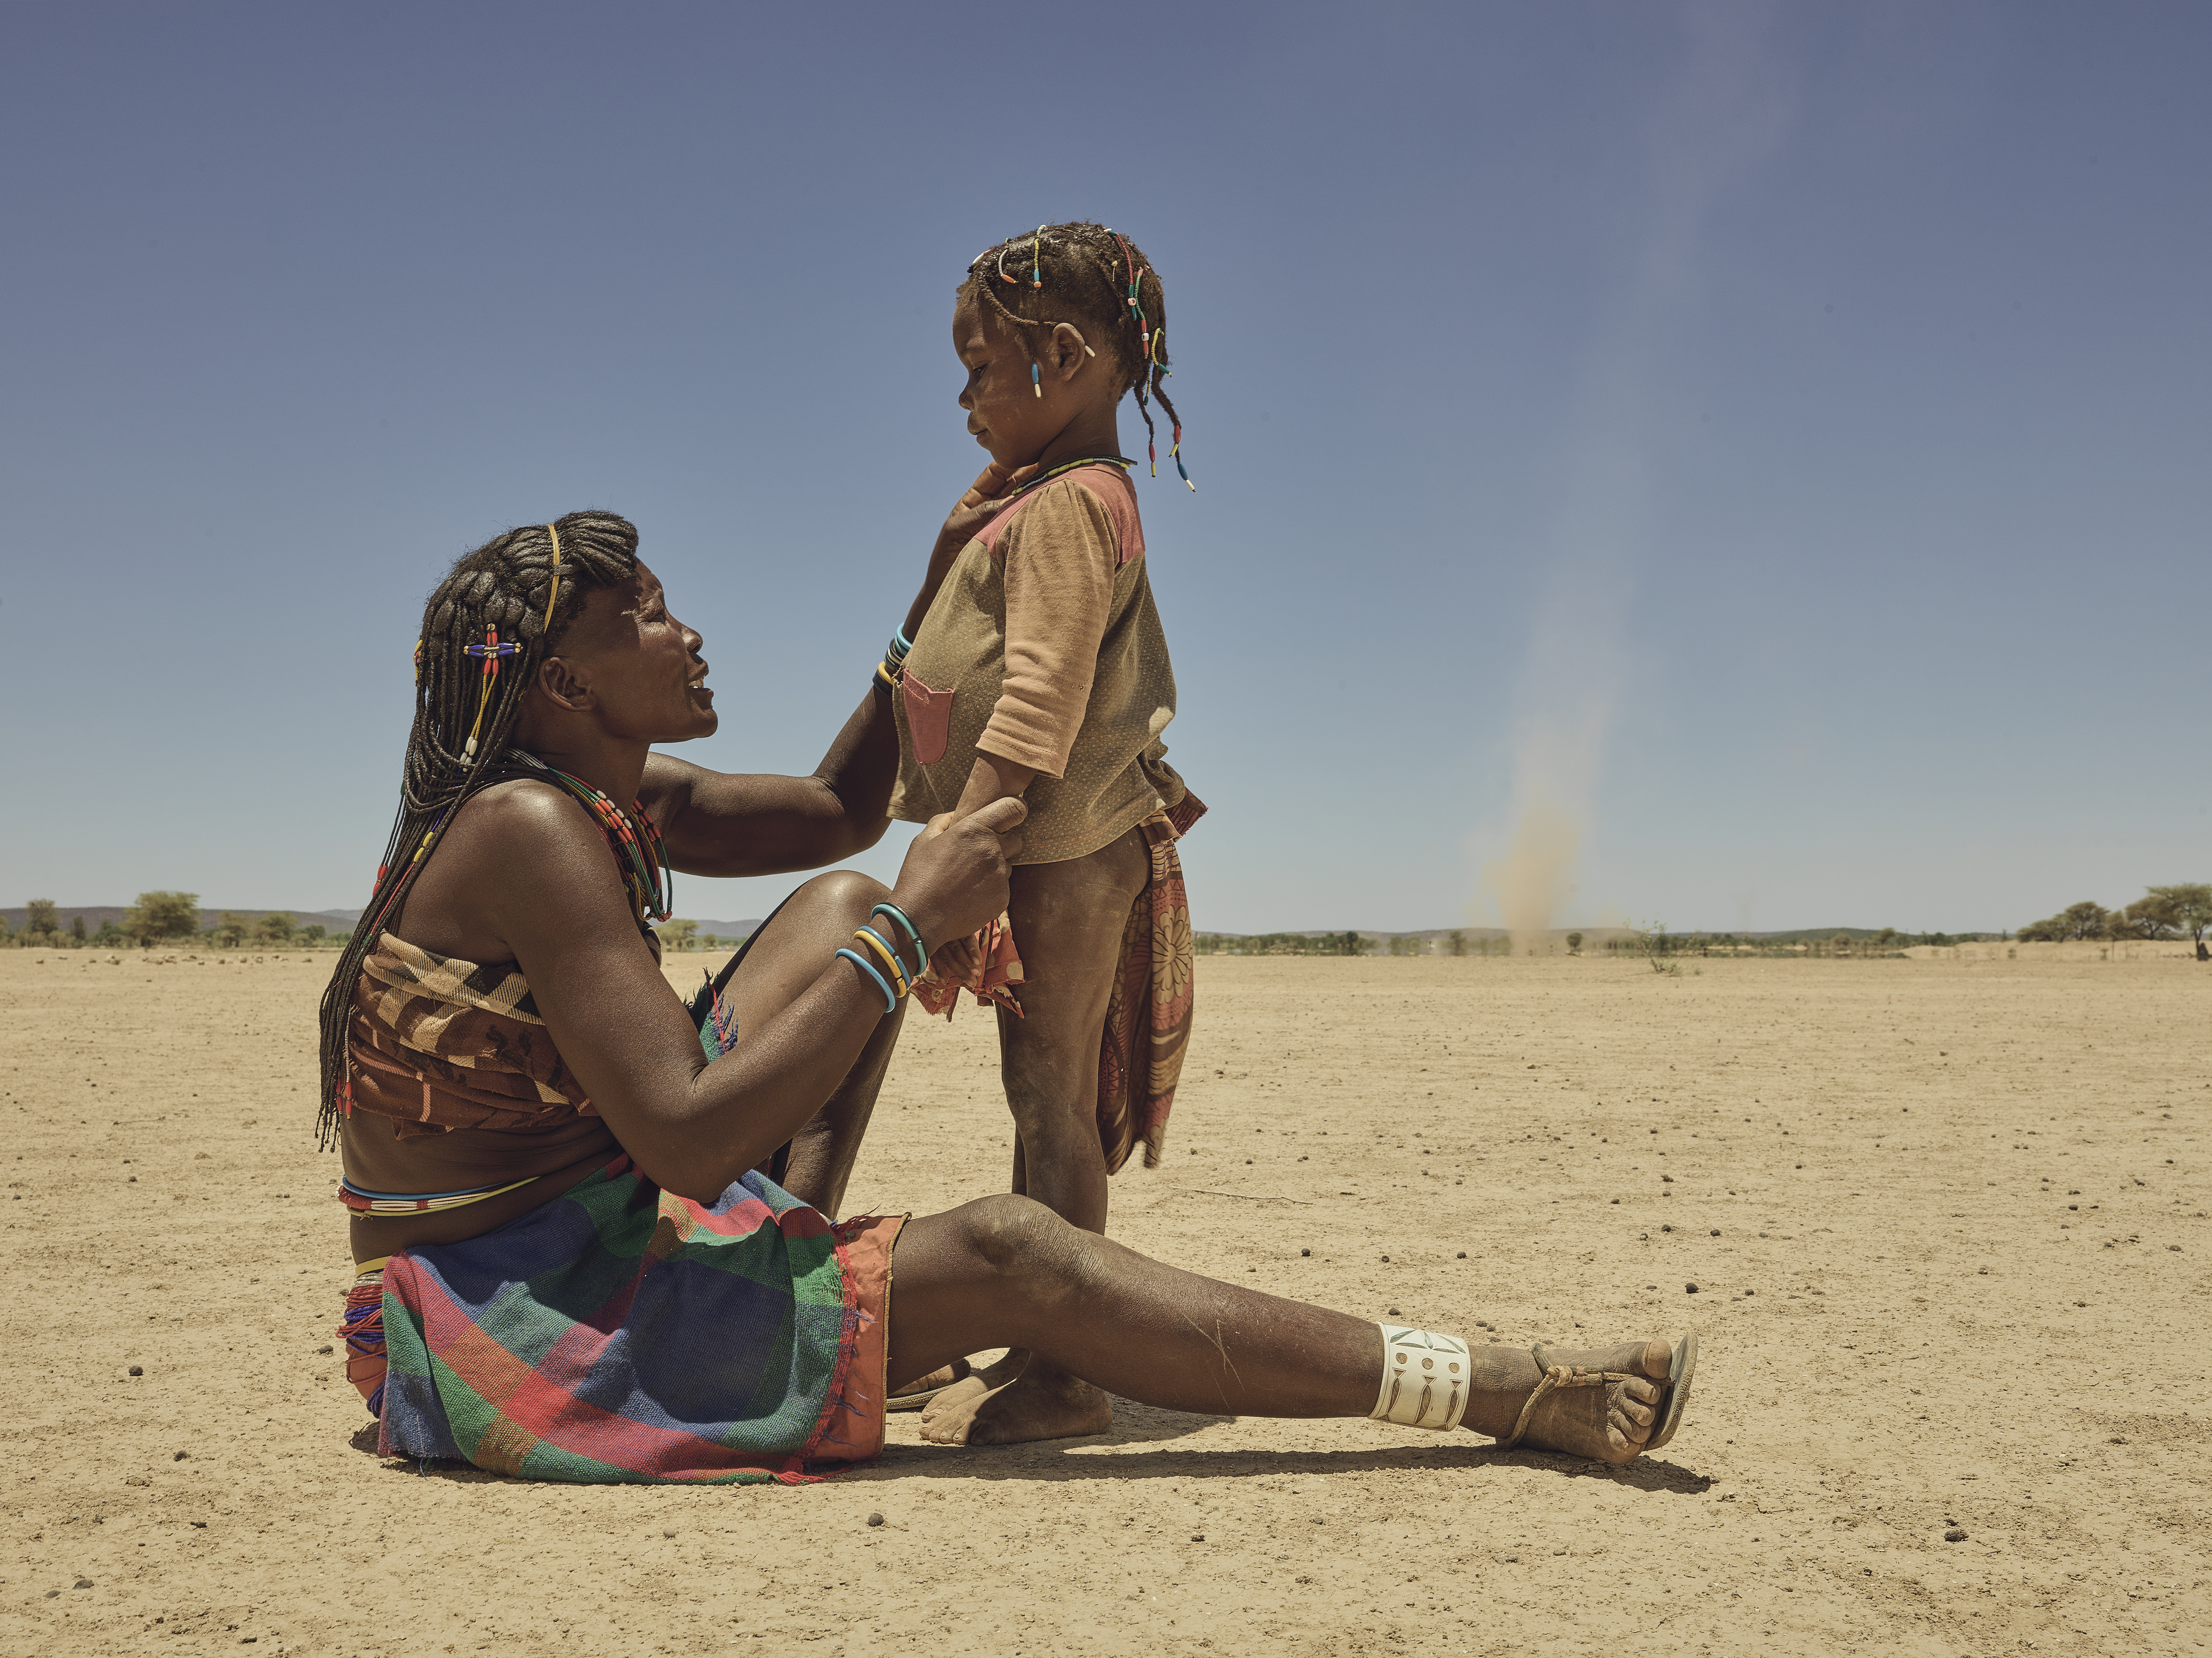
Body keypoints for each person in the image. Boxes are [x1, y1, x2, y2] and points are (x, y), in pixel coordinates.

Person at [322, 511, 1696, 1483]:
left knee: (848, 901)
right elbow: (682, 1140)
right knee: (1012, 1253)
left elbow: (836, 809)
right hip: (524, 1306)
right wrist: (918, 930)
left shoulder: (609, 792)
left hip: (586, 1221)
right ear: (565, 681)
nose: (687, 632)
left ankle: (794, 1268)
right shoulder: (531, 828)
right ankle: (1500, 1390)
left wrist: (925, 617)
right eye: (647, 617)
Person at [884, 222, 1206, 1445]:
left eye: (979, 368)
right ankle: (1040, 1338)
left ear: (1060, 358)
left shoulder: (1072, 505)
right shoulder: (1039, 500)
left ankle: (1065, 1367)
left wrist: (964, 842)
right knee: (1037, 1095)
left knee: (1051, 1099)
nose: (963, 397)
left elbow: (1039, 691)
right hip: (1041, 848)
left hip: (1058, 850)